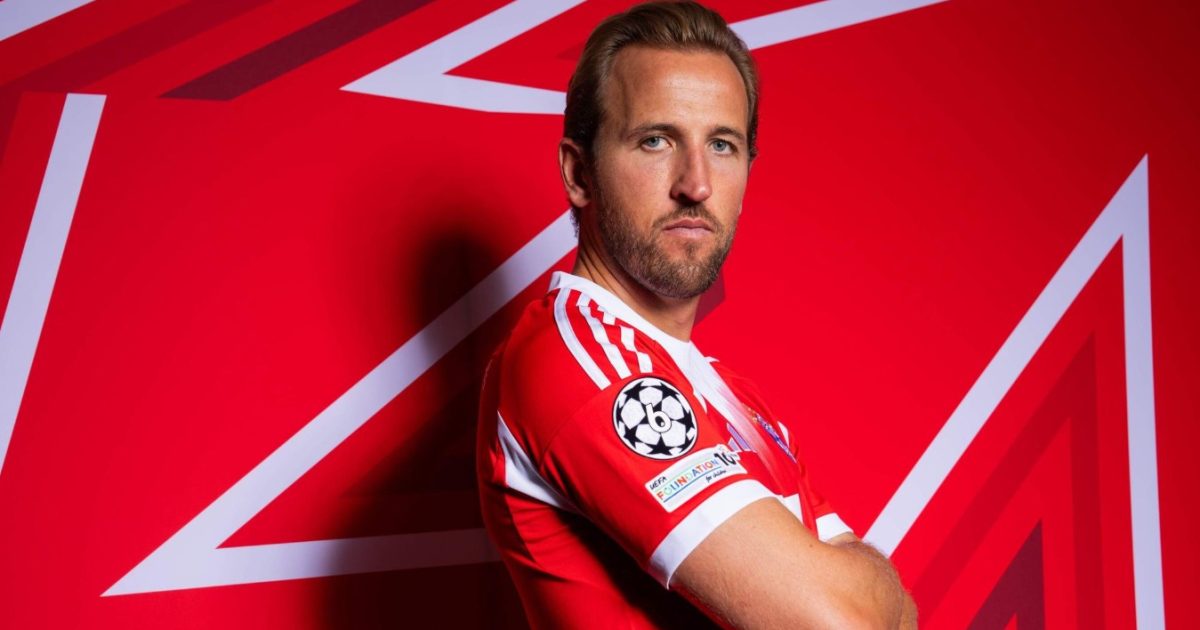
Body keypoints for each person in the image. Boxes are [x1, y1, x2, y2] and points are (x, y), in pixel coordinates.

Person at [476, 2, 917, 627]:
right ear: (579, 173)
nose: (696, 183)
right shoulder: (583, 362)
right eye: (656, 140)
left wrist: (867, 596)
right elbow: (846, 621)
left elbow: (897, 618)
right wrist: (862, 585)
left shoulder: (732, 397)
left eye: (722, 144)